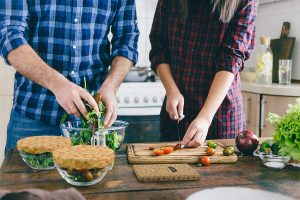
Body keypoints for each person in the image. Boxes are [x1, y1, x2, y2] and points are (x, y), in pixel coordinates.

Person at [0, 0, 139, 153]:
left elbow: (127, 40)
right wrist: (58, 84)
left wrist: (110, 86)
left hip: (91, 124)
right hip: (33, 116)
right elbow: (9, 34)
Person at [149, 0, 257, 147]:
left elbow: (231, 58)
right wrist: (171, 90)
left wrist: (205, 117)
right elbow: (159, 48)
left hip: (221, 116)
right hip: (175, 116)